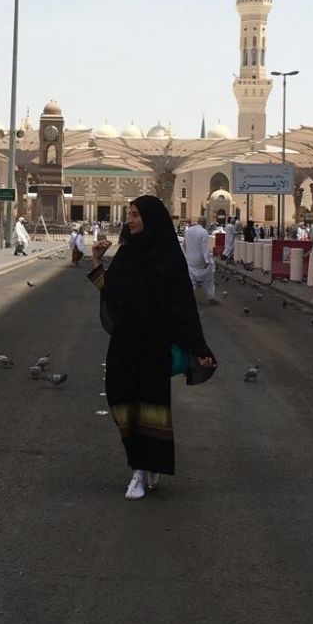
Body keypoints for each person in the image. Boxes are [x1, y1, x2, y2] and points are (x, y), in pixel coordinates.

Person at [89, 197, 217, 500]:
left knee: (150, 402)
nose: (130, 220)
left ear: (151, 218)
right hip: (124, 341)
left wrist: (199, 348)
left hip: (154, 344)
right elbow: (113, 294)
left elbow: (184, 310)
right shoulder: (127, 254)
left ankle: (140, 469)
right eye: (130, 215)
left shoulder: (169, 260)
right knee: (120, 396)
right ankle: (142, 461)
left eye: (135, 215)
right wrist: (97, 262)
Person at [183, 216, 218, 304]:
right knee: (209, 276)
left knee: (191, 279)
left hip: (190, 259)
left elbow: (184, 244)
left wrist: (187, 254)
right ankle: (211, 296)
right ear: (204, 223)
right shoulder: (203, 232)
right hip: (200, 259)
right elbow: (204, 247)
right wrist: (207, 260)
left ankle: (187, 298)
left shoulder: (189, 230)